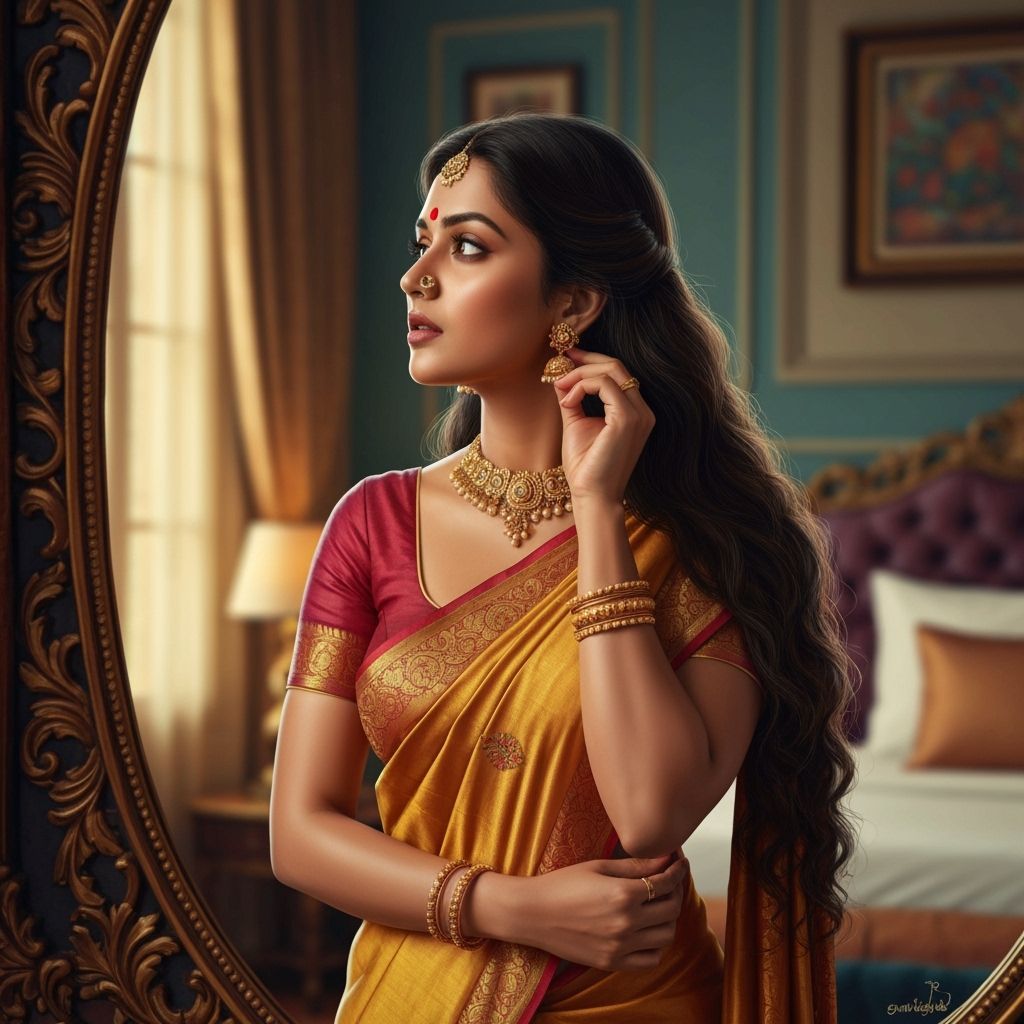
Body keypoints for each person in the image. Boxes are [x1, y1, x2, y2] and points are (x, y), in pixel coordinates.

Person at [269, 112, 857, 1022]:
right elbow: (299, 834)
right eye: (424, 244)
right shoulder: (372, 523)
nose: (416, 277)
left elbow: (651, 810)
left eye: (468, 247)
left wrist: (597, 510)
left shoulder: (708, 542)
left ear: (574, 302)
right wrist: (510, 908)